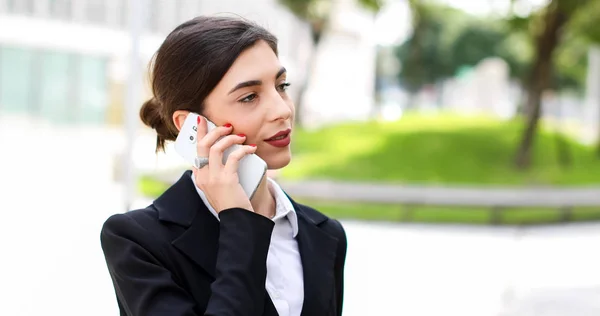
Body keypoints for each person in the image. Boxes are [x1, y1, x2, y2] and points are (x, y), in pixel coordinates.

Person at [100, 15, 347, 316]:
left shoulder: (325, 234)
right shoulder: (138, 241)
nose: (283, 109)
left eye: (282, 86)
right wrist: (239, 220)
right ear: (193, 125)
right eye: (249, 97)